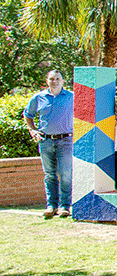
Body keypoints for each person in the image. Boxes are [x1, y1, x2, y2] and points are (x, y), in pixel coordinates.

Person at [24, 70, 74, 218]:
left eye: (58, 79)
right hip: (45, 140)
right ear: (47, 81)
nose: (55, 81)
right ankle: (51, 205)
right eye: (52, 79)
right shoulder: (38, 98)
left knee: (65, 173)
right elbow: (28, 115)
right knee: (50, 174)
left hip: (66, 140)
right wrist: (32, 130)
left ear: (63, 81)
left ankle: (65, 206)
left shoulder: (71, 97)